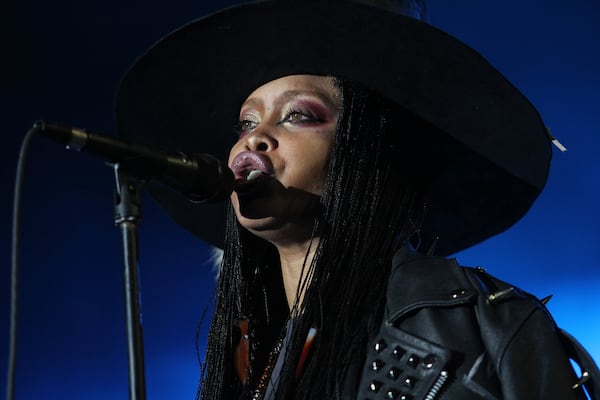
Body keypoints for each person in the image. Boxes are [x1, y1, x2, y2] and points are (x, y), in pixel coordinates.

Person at [115, 1, 599, 399]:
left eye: (298, 116)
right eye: (246, 123)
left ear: (365, 154)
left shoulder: (488, 324)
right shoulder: (249, 357)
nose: (255, 138)